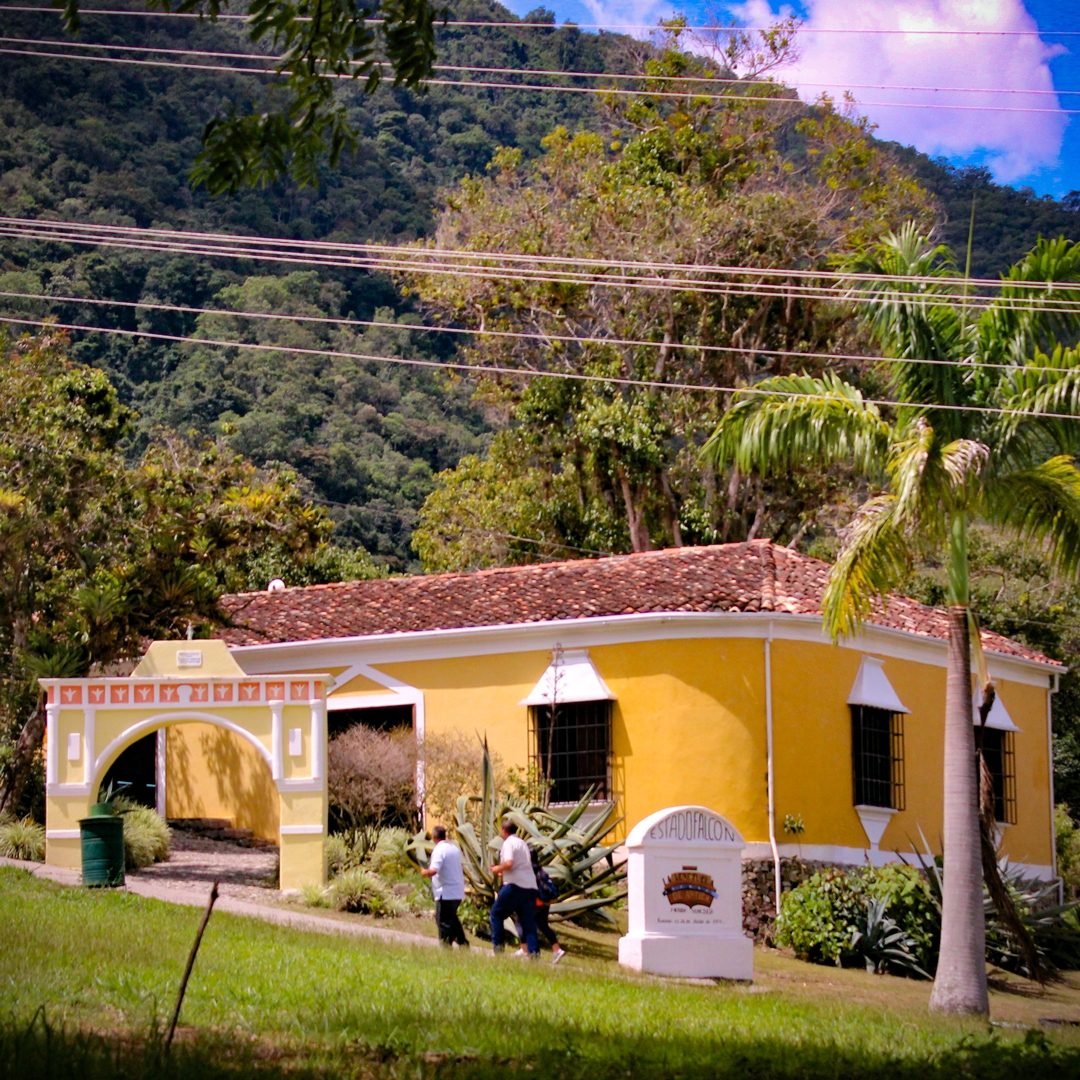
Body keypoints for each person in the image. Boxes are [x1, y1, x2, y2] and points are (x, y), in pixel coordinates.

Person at [488, 819, 539, 956]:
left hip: (515, 885)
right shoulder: (523, 843)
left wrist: (497, 868)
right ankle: (534, 953)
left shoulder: (508, 843)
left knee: (496, 914)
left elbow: (509, 862)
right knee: (527, 921)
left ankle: (498, 948)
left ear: (504, 831)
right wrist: (502, 871)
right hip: (530, 886)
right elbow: (520, 865)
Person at [514, 847, 566, 964]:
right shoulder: (541, 869)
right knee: (543, 925)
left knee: (521, 923)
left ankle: (527, 951)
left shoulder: (528, 869)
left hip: (533, 902)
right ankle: (556, 949)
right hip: (544, 903)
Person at [419, 824, 468, 947]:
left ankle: (446, 947)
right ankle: (463, 943)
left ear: (434, 837)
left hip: (445, 892)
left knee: (442, 921)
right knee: (452, 919)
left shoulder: (439, 850)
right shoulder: (454, 848)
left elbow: (434, 870)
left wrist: (424, 871)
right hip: (457, 891)